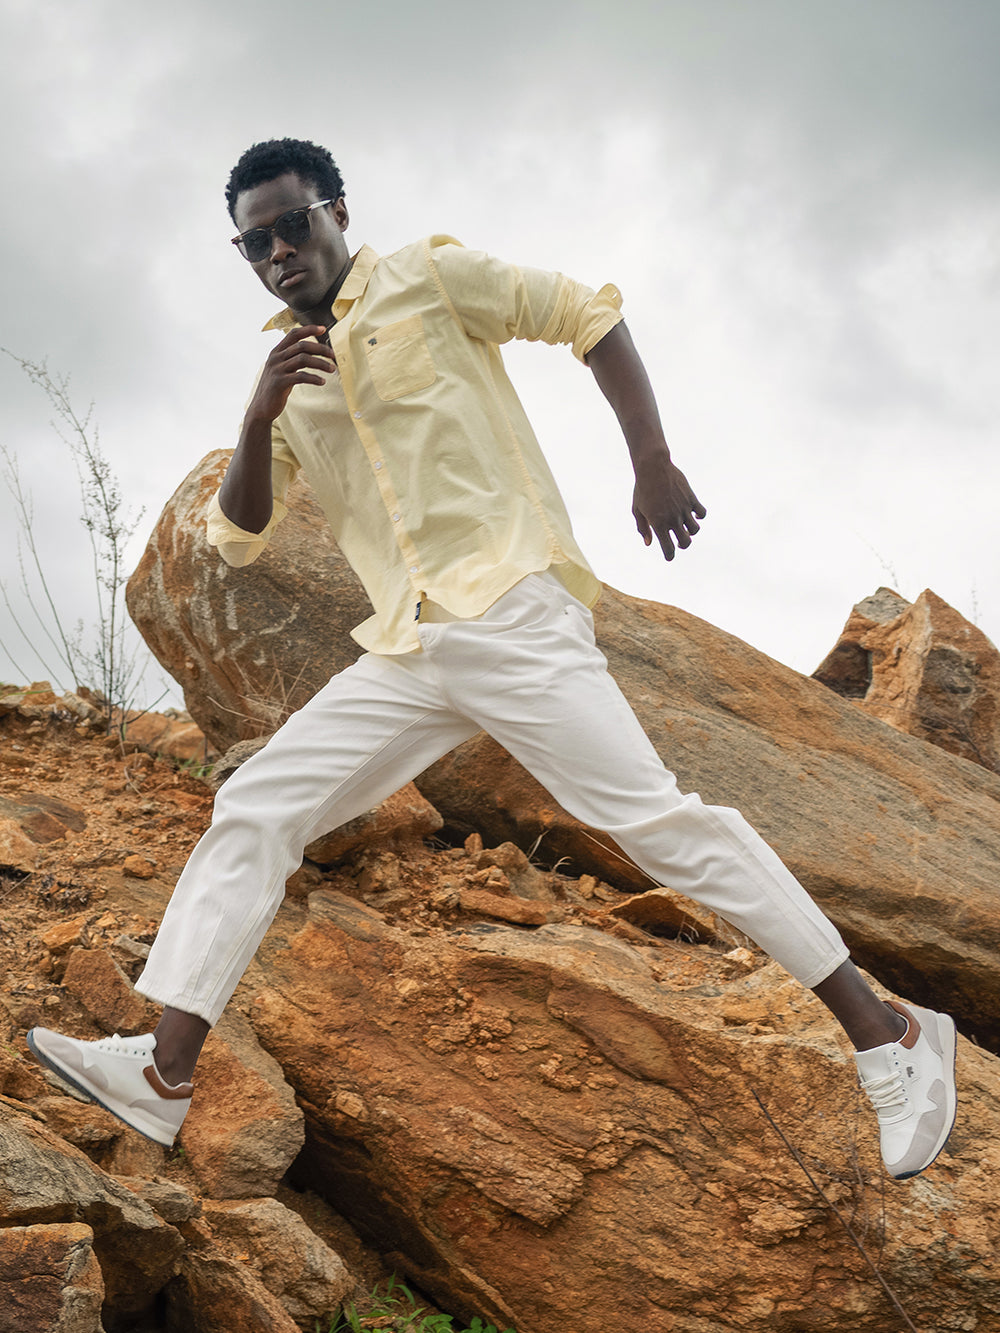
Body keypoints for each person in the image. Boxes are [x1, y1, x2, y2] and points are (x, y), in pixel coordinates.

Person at [28, 138, 956, 1181]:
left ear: (337, 211)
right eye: (256, 244)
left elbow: (588, 315)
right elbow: (239, 535)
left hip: (511, 610)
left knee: (659, 825)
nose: (279, 251)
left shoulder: (429, 277)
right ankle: (163, 1073)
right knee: (258, 804)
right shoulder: (286, 377)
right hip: (409, 644)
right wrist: (257, 415)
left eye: (294, 224)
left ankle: (891, 1035)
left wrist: (651, 460)